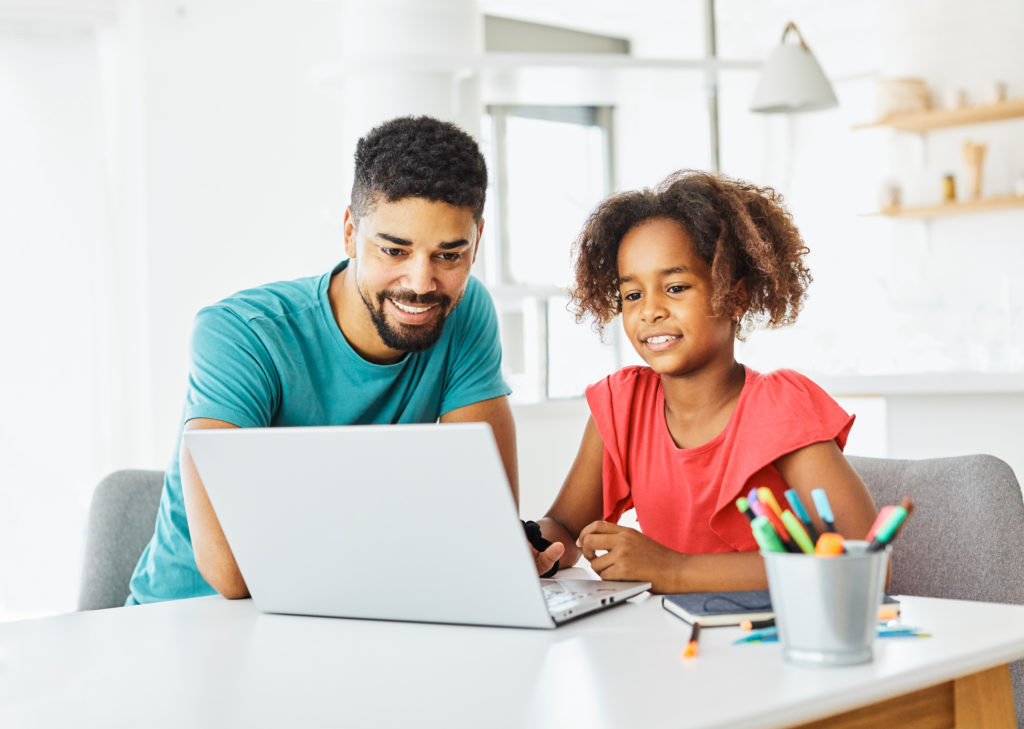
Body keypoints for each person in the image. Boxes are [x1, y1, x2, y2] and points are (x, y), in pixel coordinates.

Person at [127, 116, 516, 604]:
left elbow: (485, 521)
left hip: (353, 610)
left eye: (449, 256)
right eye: (394, 250)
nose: (420, 283)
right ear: (351, 232)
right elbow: (232, 575)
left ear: (476, 242)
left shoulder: (464, 312)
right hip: (185, 622)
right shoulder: (242, 334)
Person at [528, 170, 878, 593]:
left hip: (771, 643)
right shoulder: (623, 404)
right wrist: (527, 546)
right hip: (668, 642)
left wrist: (675, 570)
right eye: (632, 295)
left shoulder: (780, 409)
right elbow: (565, 525)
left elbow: (865, 561)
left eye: (675, 287)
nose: (650, 310)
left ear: (736, 296)